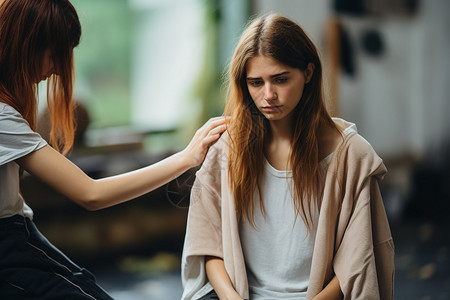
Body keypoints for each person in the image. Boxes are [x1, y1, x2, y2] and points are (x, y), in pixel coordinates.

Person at [0, 0, 228, 298]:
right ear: (25, 43)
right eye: (52, 55)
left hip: (22, 232)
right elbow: (91, 194)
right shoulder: (4, 117)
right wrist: (187, 157)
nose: (56, 68)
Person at [181, 14, 394, 300]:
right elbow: (207, 244)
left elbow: (357, 262)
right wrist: (232, 298)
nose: (268, 95)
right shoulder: (226, 149)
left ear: (308, 73)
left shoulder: (350, 155)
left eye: (280, 80)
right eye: (256, 83)